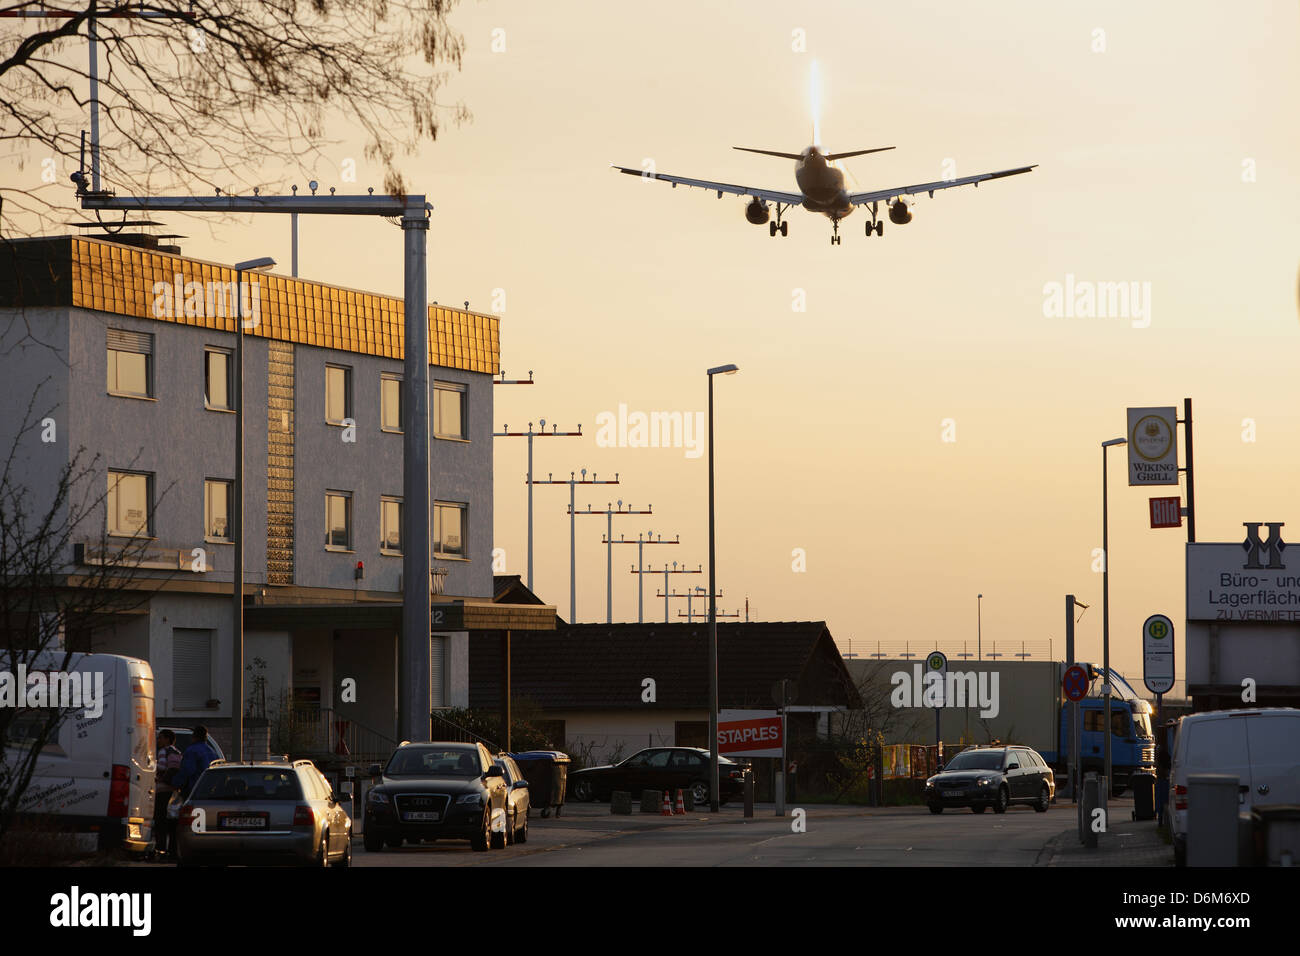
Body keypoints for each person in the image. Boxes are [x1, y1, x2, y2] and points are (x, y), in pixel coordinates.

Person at [153, 730, 183, 859]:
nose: (158, 741)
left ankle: (160, 848)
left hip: (162, 791)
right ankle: (172, 850)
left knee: (160, 821)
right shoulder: (176, 751)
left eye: (160, 738)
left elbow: (162, 767)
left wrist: (151, 764)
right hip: (172, 791)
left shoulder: (163, 751)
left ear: (167, 739)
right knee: (171, 822)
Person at [172, 724, 217, 799]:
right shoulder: (212, 751)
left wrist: (175, 782)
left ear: (194, 736)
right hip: (210, 789)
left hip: (194, 789)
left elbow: (188, 770)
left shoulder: (192, 751)